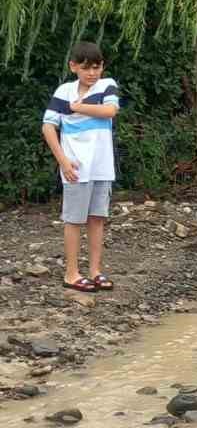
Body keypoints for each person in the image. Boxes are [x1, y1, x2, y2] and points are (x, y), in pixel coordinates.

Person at [41, 40, 120, 293]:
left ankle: (95, 271)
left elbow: (110, 111)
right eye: (86, 68)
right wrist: (63, 161)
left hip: (102, 166)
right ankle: (71, 274)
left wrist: (76, 107)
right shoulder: (63, 91)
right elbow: (48, 127)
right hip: (76, 167)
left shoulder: (107, 85)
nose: (92, 73)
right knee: (73, 220)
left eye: (96, 67)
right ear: (73, 66)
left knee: (97, 219)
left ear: (102, 67)